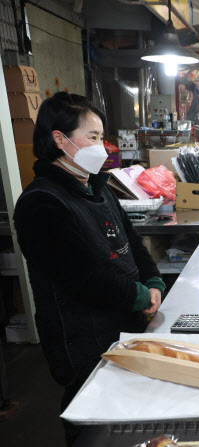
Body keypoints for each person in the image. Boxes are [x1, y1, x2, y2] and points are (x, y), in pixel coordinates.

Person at [13, 92, 166, 445]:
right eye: (93, 137)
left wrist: (153, 278)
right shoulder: (41, 204)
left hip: (125, 326)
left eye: (102, 137)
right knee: (97, 429)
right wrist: (140, 295)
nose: (102, 146)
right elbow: (82, 279)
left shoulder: (98, 188)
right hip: (83, 341)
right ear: (59, 139)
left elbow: (132, 242)